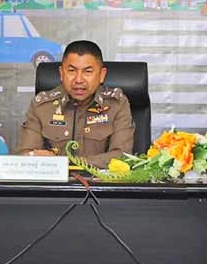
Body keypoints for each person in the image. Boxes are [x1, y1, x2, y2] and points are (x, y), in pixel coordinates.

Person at [15, 40, 134, 168]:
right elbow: (26, 156)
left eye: (88, 72)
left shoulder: (116, 105)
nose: (78, 80)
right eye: (72, 71)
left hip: (99, 180)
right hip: (54, 180)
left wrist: (64, 163)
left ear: (102, 75)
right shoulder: (42, 106)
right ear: (61, 73)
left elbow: (122, 156)